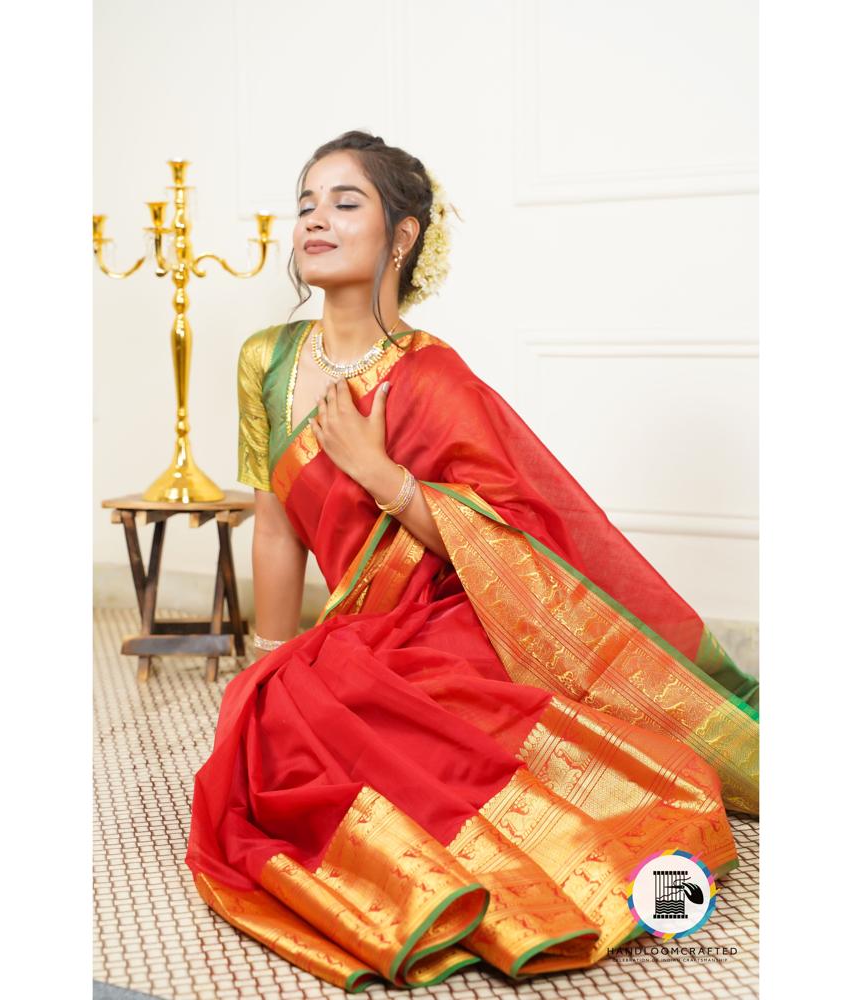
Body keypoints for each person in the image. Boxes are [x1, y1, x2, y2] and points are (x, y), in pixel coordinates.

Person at [185, 130, 759, 992]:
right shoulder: (264, 359)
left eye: (346, 203)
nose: (315, 219)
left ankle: (540, 882)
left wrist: (382, 476)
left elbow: (509, 542)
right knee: (275, 716)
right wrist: (267, 667)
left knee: (418, 740)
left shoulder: (435, 379)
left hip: (447, 618)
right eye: (306, 202)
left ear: (403, 235)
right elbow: (275, 528)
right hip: (350, 629)